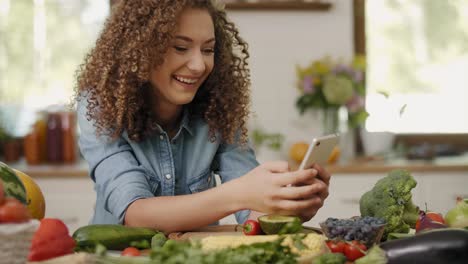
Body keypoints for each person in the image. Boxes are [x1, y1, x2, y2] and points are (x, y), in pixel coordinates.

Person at [74, 0, 330, 233]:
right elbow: (136, 215)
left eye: (208, 50)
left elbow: (251, 217)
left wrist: (287, 204)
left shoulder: (219, 108)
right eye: (181, 47)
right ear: (139, 48)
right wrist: (240, 193)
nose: (198, 65)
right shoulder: (100, 106)